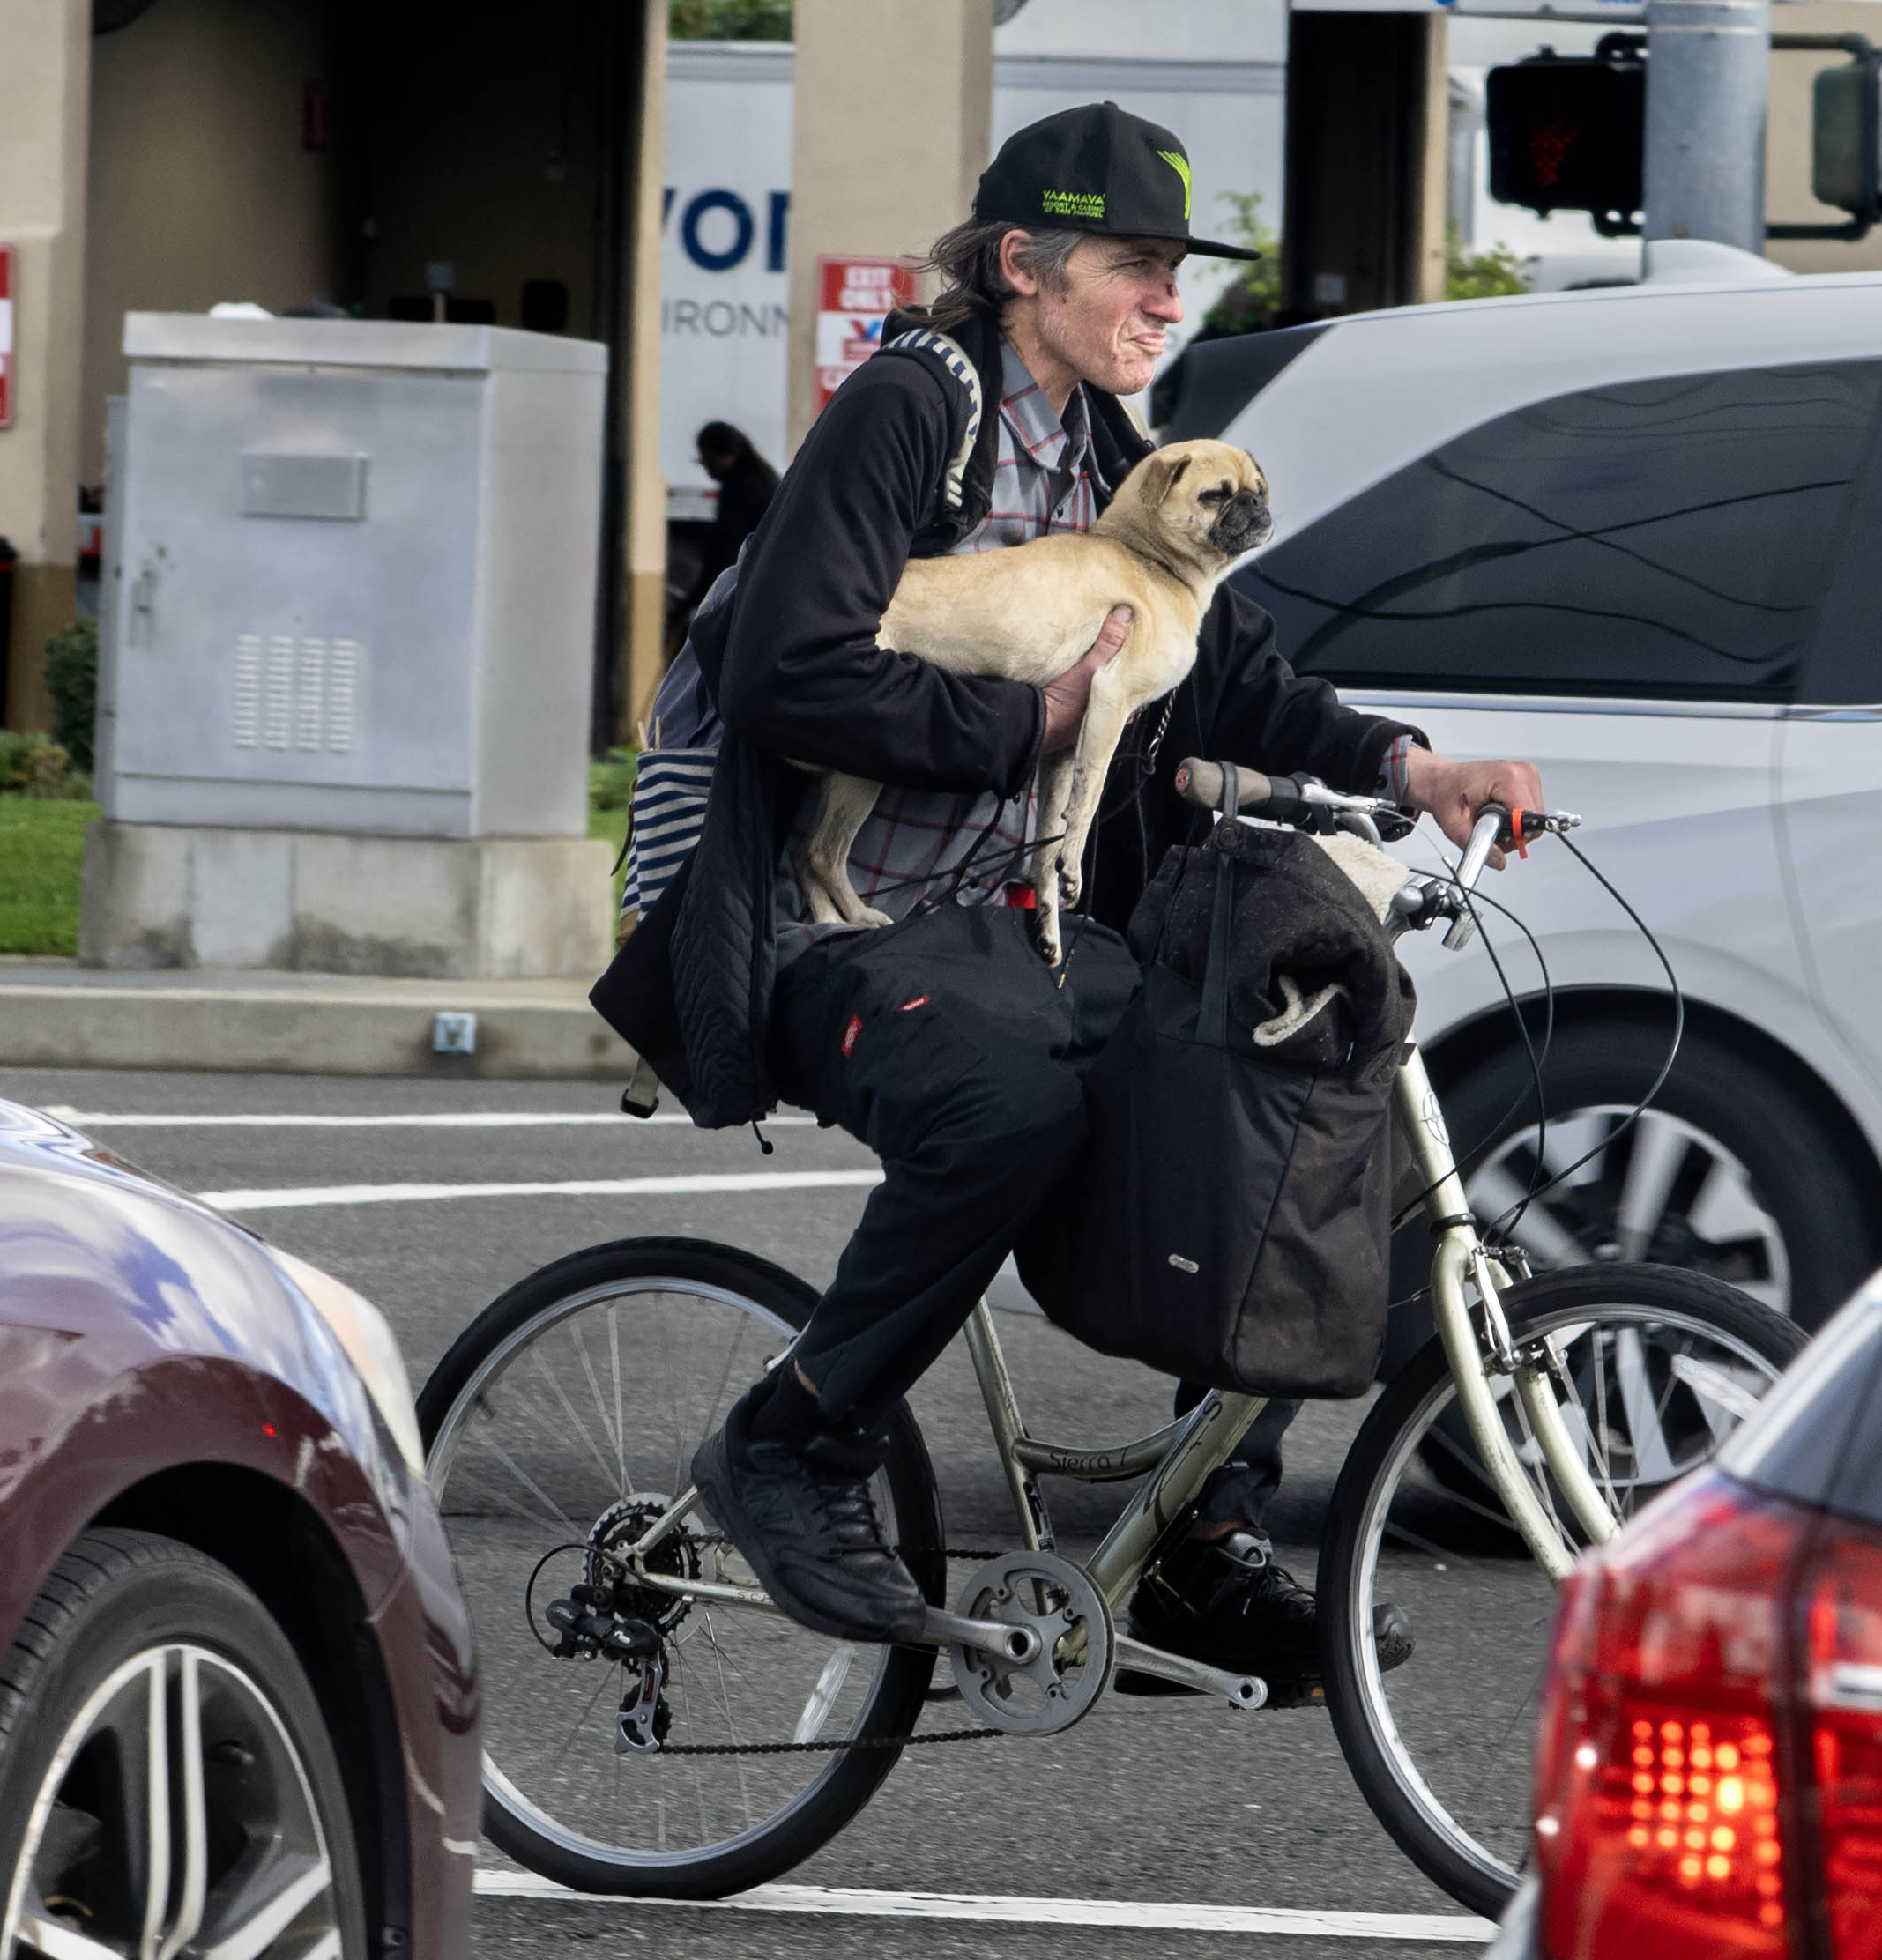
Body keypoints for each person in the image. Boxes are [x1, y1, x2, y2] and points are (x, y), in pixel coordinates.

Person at [609, 104, 1544, 1684]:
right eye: (1136, 265)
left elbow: (1233, 672)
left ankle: (1195, 1530)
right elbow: (785, 667)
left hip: (1009, 926)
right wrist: (1021, 725)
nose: (1167, 299)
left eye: (1175, 270)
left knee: (1279, 1091)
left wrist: (1412, 765)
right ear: (1024, 265)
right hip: (815, 925)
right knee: (1009, 1109)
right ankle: (793, 1439)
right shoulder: (910, 410)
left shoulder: (1115, 452)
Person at [688, 420, 778, 610]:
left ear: (725, 455)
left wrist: (698, 597)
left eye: (709, 461)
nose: (707, 469)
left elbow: (727, 545)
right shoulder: (763, 478)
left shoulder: (740, 487)